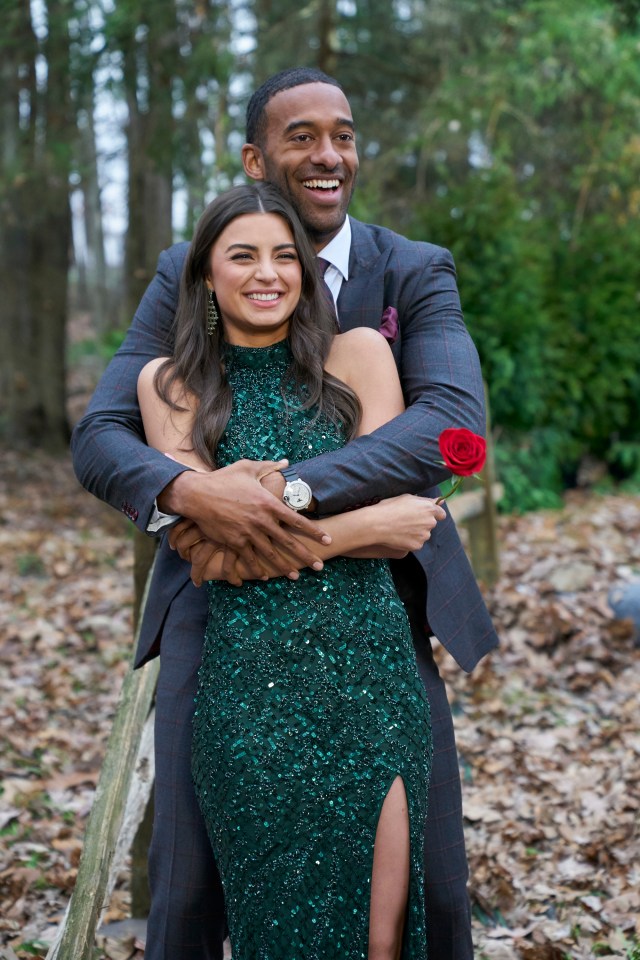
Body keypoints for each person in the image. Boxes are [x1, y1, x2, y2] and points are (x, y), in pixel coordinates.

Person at [71, 67, 498, 960]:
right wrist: (193, 492)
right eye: (301, 136)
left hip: (383, 602)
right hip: (218, 606)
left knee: (435, 884)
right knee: (188, 885)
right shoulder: (183, 278)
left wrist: (283, 495)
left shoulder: (411, 272)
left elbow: (452, 429)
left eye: (341, 134)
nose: (327, 153)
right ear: (257, 159)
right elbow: (105, 434)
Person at [137, 180, 442, 958]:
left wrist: (279, 525)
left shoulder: (361, 355)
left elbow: (400, 523)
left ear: (306, 274)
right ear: (205, 274)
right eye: (242, 256)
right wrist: (364, 523)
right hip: (250, 695)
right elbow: (207, 555)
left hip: (370, 679)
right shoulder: (170, 386)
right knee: (279, 934)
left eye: (285, 256)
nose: (267, 272)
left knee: (381, 938)